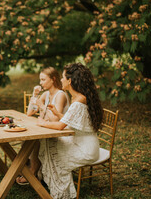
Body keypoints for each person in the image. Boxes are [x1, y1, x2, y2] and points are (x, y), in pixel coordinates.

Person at [36, 63, 103, 199]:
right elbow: (73, 121)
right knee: (48, 142)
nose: (61, 80)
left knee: (50, 145)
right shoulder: (80, 98)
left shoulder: (78, 101)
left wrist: (42, 123)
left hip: (85, 150)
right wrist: (59, 114)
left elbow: (60, 126)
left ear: (70, 80)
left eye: (62, 77)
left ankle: (62, 192)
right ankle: (47, 180)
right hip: (85, 144)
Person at [16, 67, 69, 185]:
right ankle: (25, 169)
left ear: (53, 79)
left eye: (43, 79)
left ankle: (32, 172)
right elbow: (30, 112)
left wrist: (41, 105)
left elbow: (55, 119)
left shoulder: (60, 95)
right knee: (28, 139)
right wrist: (35, 95)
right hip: (47, 129)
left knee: (35, 140)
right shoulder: (46, 94)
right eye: (40, 80)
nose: (40, 83)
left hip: (60, 133)